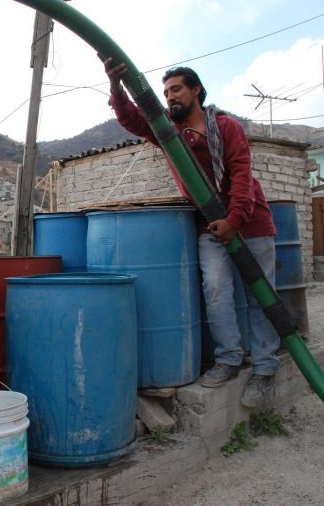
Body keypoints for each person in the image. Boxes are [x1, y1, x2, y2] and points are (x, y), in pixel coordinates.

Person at [102, 59, 279, 407]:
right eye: (166, 92)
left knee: (261, 294)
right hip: (210, 225)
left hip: (250, 220)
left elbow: (242, 174)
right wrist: (115, 84)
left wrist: (235, 219)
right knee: (215, 290)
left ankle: (264, 367)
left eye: (176, 89)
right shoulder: (168, 132)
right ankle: (228, 359)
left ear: (196, 90)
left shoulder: (227, 127)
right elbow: (129, 117)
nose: (170, 97)